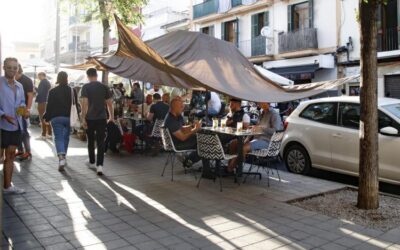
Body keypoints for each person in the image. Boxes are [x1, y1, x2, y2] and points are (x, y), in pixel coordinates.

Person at [227, 102, 283, 172]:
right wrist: (247, 138)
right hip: (257, 138)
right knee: (234, 143)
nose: (257, 104)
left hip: (267, 142)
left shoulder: (274, 114)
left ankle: (232, 169)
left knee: (244, 147)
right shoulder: (262, 113)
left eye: (259, 102)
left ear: (265, 102)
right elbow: (256, 128)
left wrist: (262, 128)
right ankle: (232, 168)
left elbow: (276, 130)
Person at [0, 58, 27, 194]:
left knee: (10, 156)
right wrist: (3, 115)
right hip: (2, 125)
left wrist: (23, 111)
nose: (12, 70)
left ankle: (7, 187)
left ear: (18, 69)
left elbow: (22, 102)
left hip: (16, 126)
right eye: (9, 67)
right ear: (4, 67)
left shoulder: (20, 86)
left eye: (15, 67)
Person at [80, 68, 114, 175]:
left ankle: (91, 161)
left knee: (90, 140)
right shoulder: (104, 87)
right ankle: (100, 166)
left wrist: (83, 118)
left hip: (90, 118)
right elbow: (109, 103)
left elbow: (84, 103)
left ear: (88, 76)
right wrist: (111, 116)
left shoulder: (86, 87)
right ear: (96, 75)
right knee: (100, 142)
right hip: (102, 118)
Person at [43, 72, 78, 171]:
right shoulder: (72, 90)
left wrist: (47, 117)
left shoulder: (52, 91)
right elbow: (76, 105)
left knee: (58, 137)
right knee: (66, 138)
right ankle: (64, 158)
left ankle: (61, 158)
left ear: (58, 78)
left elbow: (49, 106)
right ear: (67, 78)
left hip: (56, 118)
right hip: (68, 118)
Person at [163, 97, 202, 168]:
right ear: (174, 107)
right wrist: (195, 130)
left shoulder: (177, 115)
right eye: (180, 107)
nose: (182, 108)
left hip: (178, 141)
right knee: (203, 142)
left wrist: (192, 126)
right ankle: (189, 161)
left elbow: (182, 128)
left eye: (182, 106)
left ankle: (189, 160)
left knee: (202, 141)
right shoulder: (171, 120)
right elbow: (182, 138)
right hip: (176, 144)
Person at [15, 64, 34, 161]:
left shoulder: (26, 80)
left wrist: (27, 109)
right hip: (13, 108)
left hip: (22, 108)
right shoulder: (12, 79)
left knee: (23, 130)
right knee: (16, 130)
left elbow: (30, 96)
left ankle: (28, 151)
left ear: (18, 69)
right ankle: (20, 150)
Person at [36, 72, 52, 139]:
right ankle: (49, 134)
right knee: (47, 118)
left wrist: (35, 89)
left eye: (39, 76)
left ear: (42, 75)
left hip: (42, 101)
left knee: (42, 118)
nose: (38, 77)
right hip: (46, 101)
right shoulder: (47, 82)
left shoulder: (43, 82)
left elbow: (40, 92)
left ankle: (43, 134)